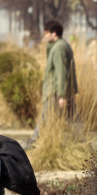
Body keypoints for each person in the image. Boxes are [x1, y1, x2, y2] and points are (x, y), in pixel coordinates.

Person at [26, 19, 78, 147]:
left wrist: (62, 95)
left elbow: (61, 73)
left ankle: (31, 144)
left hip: (56, 91)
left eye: (46, 33)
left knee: (45, 118)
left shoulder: (59, 49)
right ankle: (82, 142)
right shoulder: (59, 45)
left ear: (54, 33)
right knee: (73, 118)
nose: (44, 36)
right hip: (61, 90)